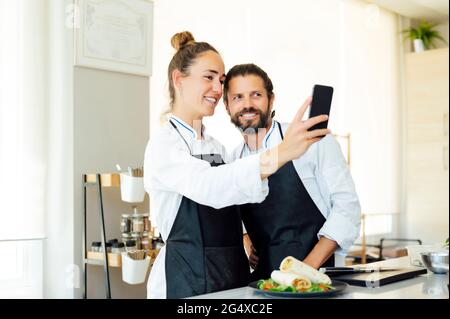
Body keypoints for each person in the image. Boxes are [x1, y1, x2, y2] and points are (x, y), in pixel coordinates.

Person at [144, 32, 330, 299]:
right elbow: (209, 186)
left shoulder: (215, 147)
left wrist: (246, 236)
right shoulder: (165, 144)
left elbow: (237, 195)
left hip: (231, 278)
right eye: (208, 77)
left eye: (220, 80)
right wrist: (281, 152)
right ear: (178, 79)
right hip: (185, 282)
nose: (218, 90)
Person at [223, 63, 361, 281]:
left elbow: (347, 208)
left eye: (256, 95)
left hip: (319, 279)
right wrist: (246, 237)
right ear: (227, 106)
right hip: (264, 284)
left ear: (271, 99)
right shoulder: (232, 161)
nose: (247, 104)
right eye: (238, 97)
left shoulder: (311, 140)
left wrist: (305, 270)